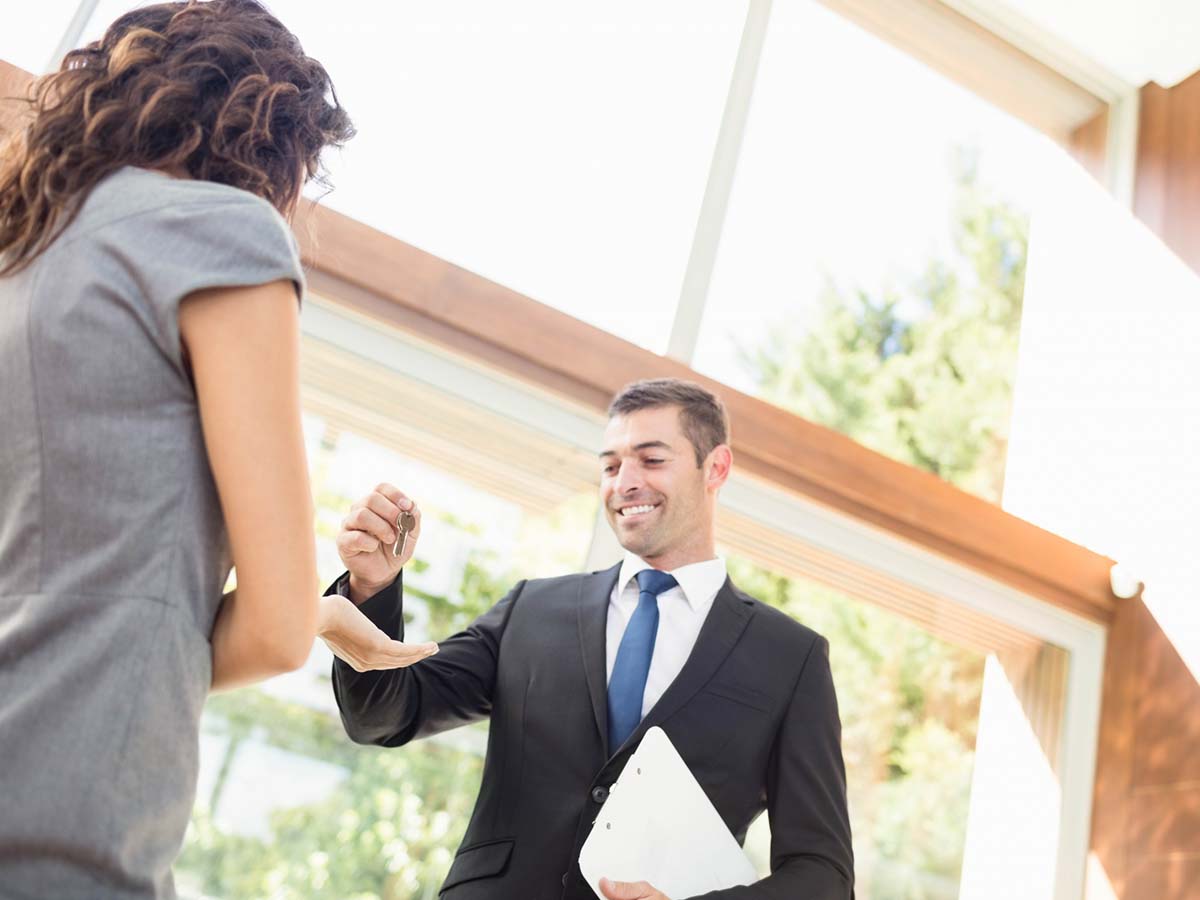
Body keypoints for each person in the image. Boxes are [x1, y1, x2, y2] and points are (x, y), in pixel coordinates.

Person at [0, 2, 358, 897]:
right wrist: (310, 613)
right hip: (64, 813)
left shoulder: (22, 257)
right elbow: (277, 628)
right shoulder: (217, 232)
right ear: (271, 143)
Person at [323, 378, 854, 899]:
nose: (624, 481)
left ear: (715, 468)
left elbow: (822, 874)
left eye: (651, 460)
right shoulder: (532, 609)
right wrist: (373, 586)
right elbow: (383, 716)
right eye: (610, 464)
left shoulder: (790, 659)